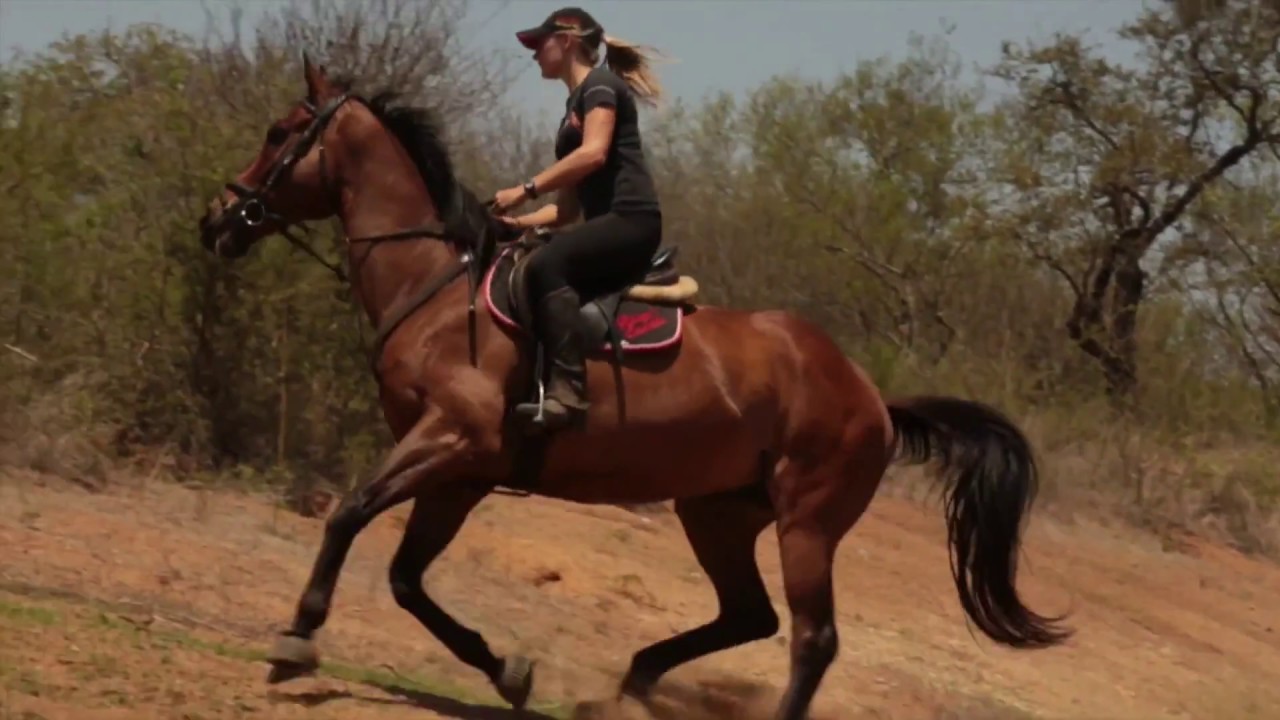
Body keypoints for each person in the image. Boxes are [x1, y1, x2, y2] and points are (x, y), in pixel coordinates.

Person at [491, 6, 667, 432]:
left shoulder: (601, 86)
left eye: (539, 44)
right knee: (531, 255)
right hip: (602, 226)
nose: (533, 54)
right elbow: (566, 212)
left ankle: (568, 392)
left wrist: (524, 189)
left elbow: (594, 154)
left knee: (548, 264)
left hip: (631, 220)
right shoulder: (571, 110)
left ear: (566, 40)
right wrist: (515, 225)